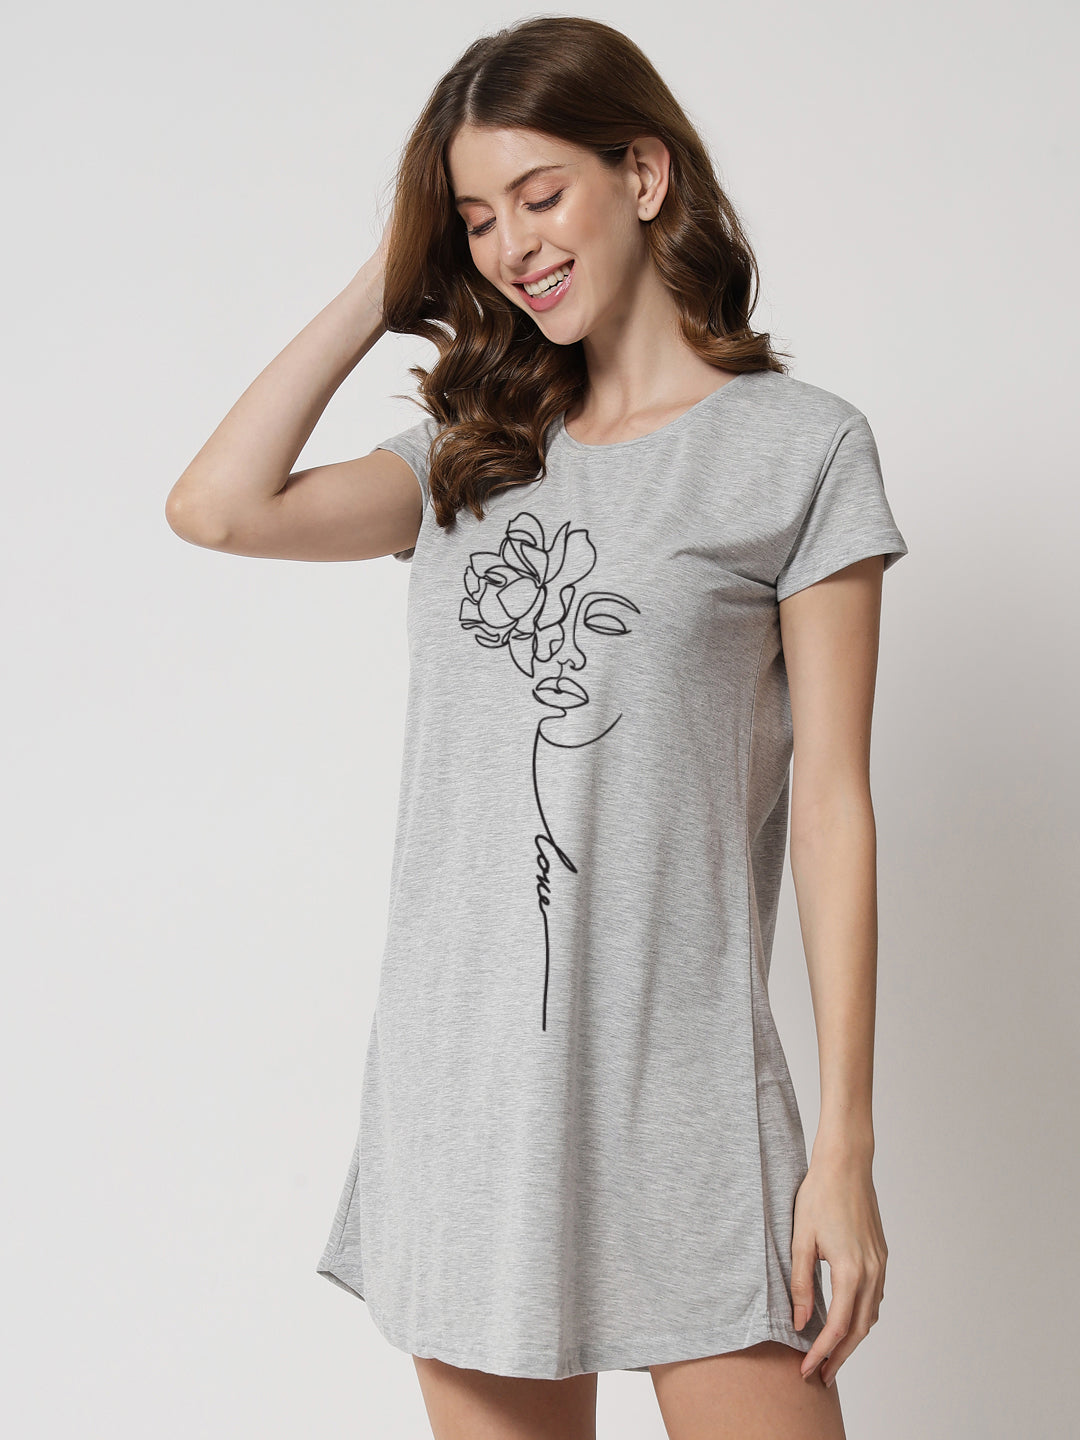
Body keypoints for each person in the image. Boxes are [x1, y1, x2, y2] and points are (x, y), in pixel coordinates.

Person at [166, 15, 907, 1440]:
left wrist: (846, 1148)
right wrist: (385, 281)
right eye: (475, 218)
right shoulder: (467, 457)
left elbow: (833, 808)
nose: (511, 245)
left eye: (540, 194)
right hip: (467, 1098)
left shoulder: (801, 449)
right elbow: (218, 507)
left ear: (644, 174)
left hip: (684, 1096)